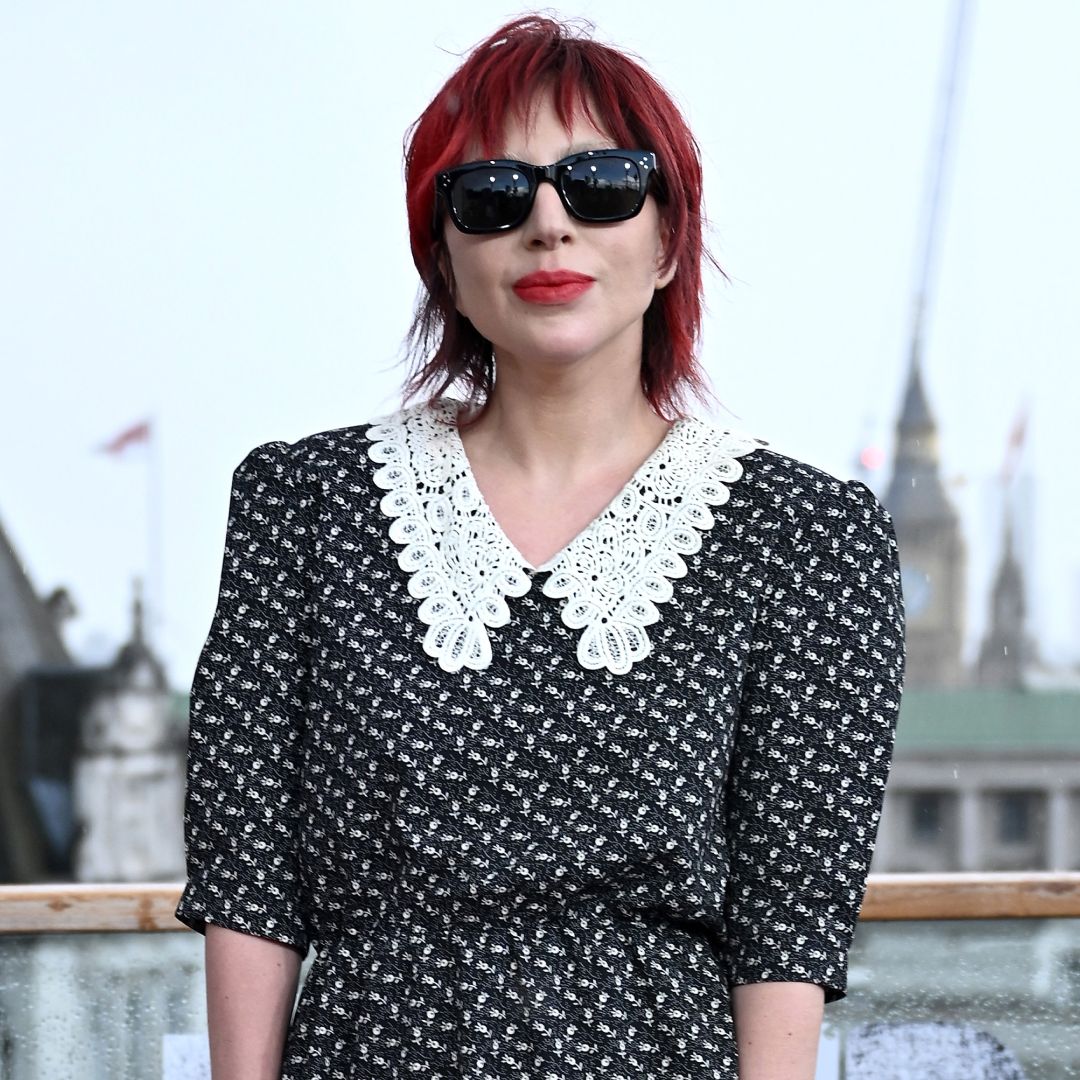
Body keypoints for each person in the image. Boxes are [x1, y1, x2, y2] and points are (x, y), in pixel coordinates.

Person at [175, 14, 906, 1080]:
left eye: (602, 183)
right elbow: (250, 881)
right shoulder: (303, 506)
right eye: (494, 196)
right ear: (444, 256)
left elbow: (787, 926)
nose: (549, 224)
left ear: (668, 240)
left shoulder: (807, 536)